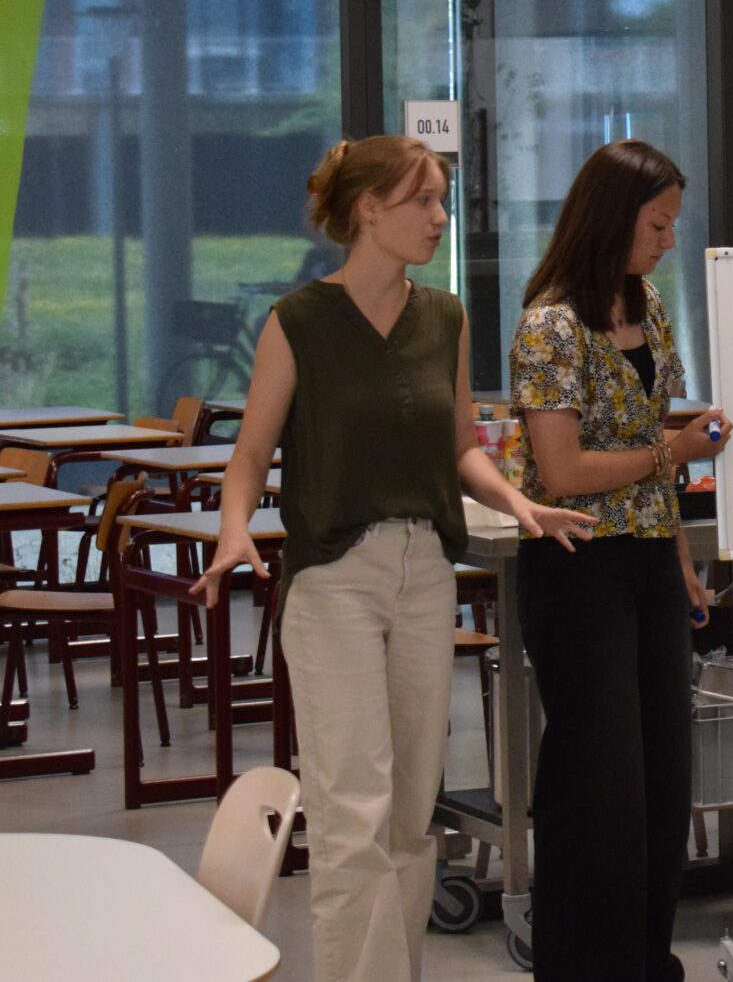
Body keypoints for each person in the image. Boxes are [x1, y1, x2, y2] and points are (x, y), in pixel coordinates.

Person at [195, 136, 594, 982]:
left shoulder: (443, 316)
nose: (441, 218)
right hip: (334, 578)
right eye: (425, 200)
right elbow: (249, 454)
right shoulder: (297, 320)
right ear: (369, 208)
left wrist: (515, 499)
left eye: (444, 200)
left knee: (412, 813)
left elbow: (458, 447)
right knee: (352, 812)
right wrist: (235, 528)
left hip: (425, 573)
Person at [511, 139, 729, 982]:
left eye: (673, 223)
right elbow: (563, 469)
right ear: (613, 217)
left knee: (664, 783)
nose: (668, 239)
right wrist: (671, 452)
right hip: (578, 566)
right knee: (600, 785)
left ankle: (647, 960)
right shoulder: (550, 325)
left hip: (645, 562)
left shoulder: (651, 308)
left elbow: (653, 442)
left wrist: (677, 553)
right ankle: (582, 965)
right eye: (658, 222)